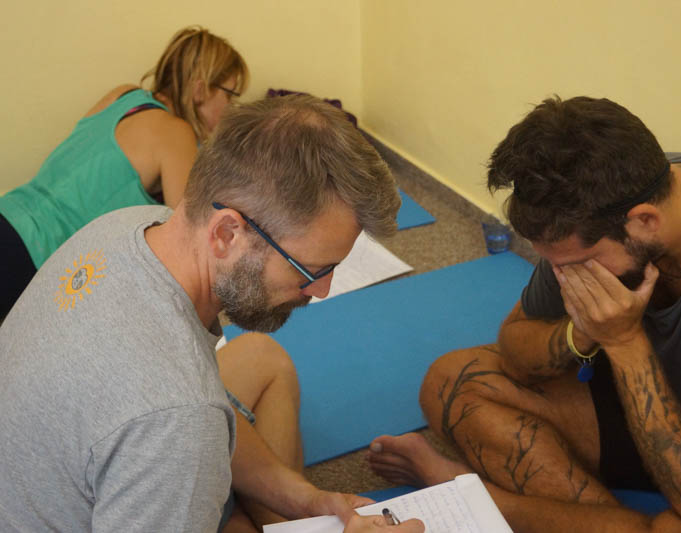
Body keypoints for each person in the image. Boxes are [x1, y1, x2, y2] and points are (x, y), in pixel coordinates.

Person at [367, 96, 681, 532]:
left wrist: (624, 342)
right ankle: (616, 525)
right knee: (451, 382)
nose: (564, 276)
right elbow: (516, 347)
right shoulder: (596, 202)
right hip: (663, 394)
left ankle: (472, 496)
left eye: (577, 264)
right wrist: (581, 334)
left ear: (645, 221)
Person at [0, 94, 421, 533]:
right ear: (226, 233)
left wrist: (306, 499)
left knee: (261, 357)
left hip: (57, 467)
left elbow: (200, 412)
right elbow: (184, 418)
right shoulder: (179, 418)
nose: (323, 289)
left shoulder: (131, 224)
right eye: (310, 269)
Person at [0, 25, 248, 318]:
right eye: (230, 95)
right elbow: (191, 246)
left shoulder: (123, 96)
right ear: (200, 89)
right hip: (34, 255)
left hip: (9, 213)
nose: (231, 108)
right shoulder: (176, 135)